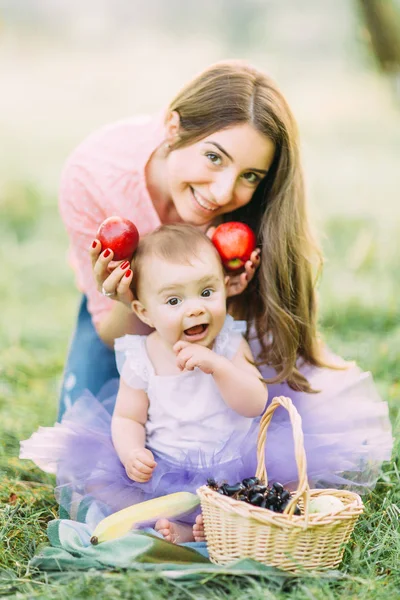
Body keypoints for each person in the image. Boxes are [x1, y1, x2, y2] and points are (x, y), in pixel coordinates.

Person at [39, 60, 391, 508]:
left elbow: (242, 373)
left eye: (250, 177)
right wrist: (124, 299)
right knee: (83, 464)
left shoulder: (242, 217)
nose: (224, 193)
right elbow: (112, 332)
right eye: (213, 157)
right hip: (124, 308)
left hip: (213, 318)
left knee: (269, 448)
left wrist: (227, 295)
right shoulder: (92, 176)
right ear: (173, 127)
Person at [21, 224, 268, 543]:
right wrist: (131, 451)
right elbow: (127, 417)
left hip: (232, 466)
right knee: (115, 493)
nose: (195, 308)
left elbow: (254, 403)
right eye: (174, 300)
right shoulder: (142, 355)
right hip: (166, 469)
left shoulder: (229, 344)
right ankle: (182, 529)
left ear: (225, 286)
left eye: (207, 293)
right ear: (144, 311)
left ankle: (210, 528)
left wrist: (218, 367)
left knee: (257, 498)